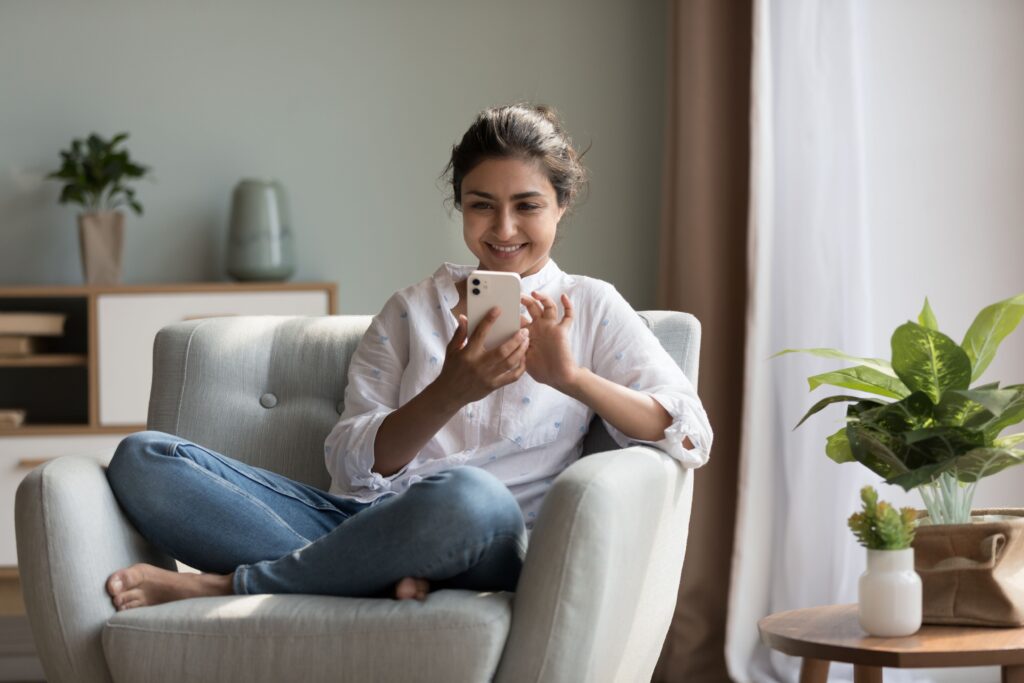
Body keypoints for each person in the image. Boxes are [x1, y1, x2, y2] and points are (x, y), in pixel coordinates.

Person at [104, 104, 713, 612]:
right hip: (364, 523)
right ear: (460, 205)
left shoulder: (592, 306)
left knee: (466, 495)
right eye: (481, 205)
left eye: (527, 206)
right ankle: (372, 575)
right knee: (145, 457)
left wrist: (572, 378)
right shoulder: (410, 310)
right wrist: (450, 391)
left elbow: (689, 434)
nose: (503, 229)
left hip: (484, 533)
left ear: (561, 205)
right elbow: (350, 468)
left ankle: (229, 586)